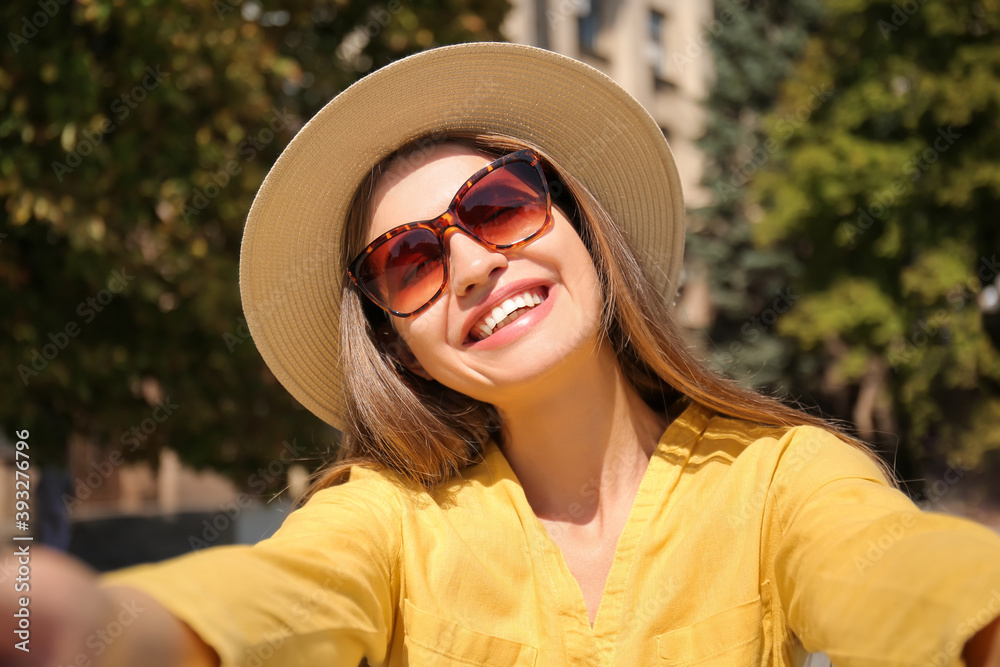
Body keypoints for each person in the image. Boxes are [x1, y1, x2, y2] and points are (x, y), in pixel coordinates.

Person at [7, 42, 1000, 667]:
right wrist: (85, 627)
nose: (474, 261)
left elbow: (907, 579)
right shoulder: (384, 518)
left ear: (577, 220)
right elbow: (268, 603)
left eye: (498, 204)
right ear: (396, 342)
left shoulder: (781, 476)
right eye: (408, 261)